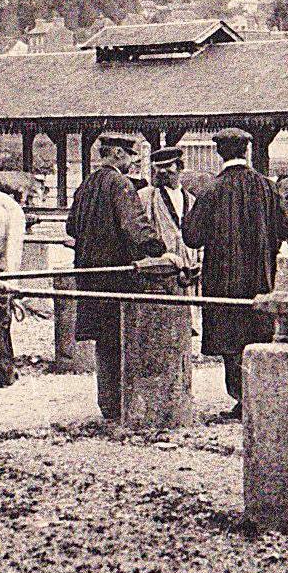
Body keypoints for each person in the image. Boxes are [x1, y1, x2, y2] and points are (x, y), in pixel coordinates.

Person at [184, 127, 288, 420]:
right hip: (260, 277)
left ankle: (240, 397)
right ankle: (258, 395)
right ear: (246, 151)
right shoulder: (266, 186)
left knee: (229, 339)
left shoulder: (211, 189)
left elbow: (192, 237)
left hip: (222, 278)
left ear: (220, 153)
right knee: (258, 333)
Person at [66, 132, 165, 419]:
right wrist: (157, 247)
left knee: (103, 341)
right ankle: (122, 403)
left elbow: (72, 227)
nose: (133, 163)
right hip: (117, 275)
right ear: (118, 155)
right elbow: (135, 227)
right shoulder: (120, 185)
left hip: (89, 274)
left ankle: (107, 403)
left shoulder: (86, 184)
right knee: (122, 338)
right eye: (131, 157)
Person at [139, 146, 198, 293]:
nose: (162, 171)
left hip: (188, 276)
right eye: (158, 167)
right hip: (159, 275)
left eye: (167, 166)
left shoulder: (192, 200)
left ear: (179, 167)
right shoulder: (146, 197)